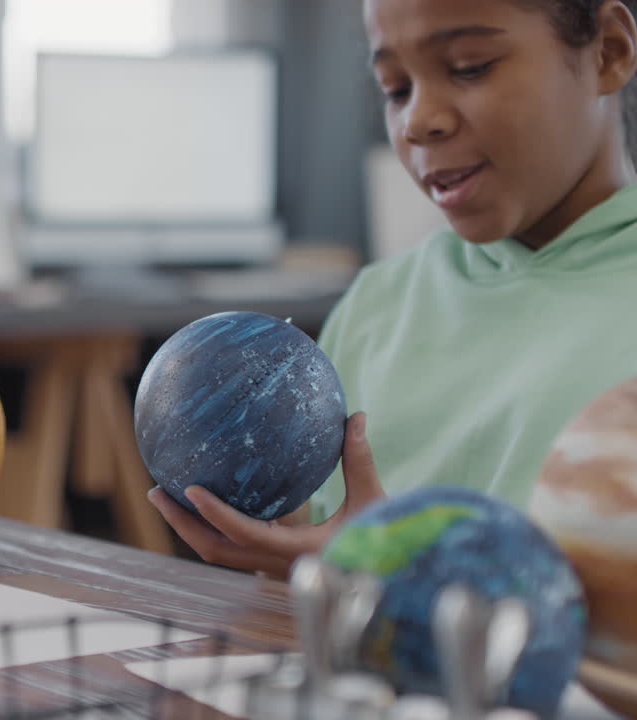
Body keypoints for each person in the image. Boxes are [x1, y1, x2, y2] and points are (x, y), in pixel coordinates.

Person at [149, 0, 637, 578]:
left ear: (608, 51)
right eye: (395, 88)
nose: (417, 120)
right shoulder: (377, 305)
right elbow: (312, 575)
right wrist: (290, 555)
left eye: (469, 66)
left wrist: (388, 570)